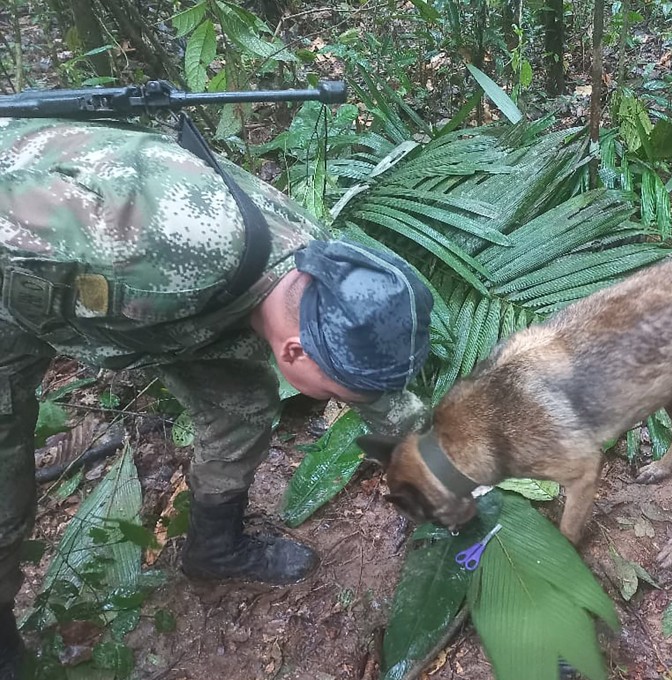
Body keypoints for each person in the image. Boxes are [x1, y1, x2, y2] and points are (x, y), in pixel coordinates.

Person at [0, 117, 434, 677]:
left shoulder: (321, 272)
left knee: (242, 408)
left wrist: (436, 460)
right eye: (339, 395)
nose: (348, 402)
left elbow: (371, 384)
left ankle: (214, 548)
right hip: (18, 272)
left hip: (148, 301)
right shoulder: (156, 263)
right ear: (296, 354)